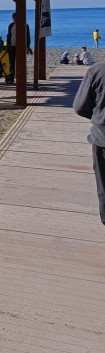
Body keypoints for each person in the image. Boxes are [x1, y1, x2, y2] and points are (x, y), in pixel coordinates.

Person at [73, 56, 105, 226]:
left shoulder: (97, 70)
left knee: (104, 188)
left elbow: (80, 107)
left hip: (103, 138)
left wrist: (98, 117)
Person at [5, 14, 31, 84]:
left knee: (21, 62)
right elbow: (9, 36)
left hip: (21, 46)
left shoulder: (25, 25)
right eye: (13, 18)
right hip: (12, 46)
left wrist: (27, 46)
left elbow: (28, 36)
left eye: (16, 17)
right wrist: (8, 45)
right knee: (11, 63)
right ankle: (11, 78)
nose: (14, 19)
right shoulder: (11, 25)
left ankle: (21, 77)